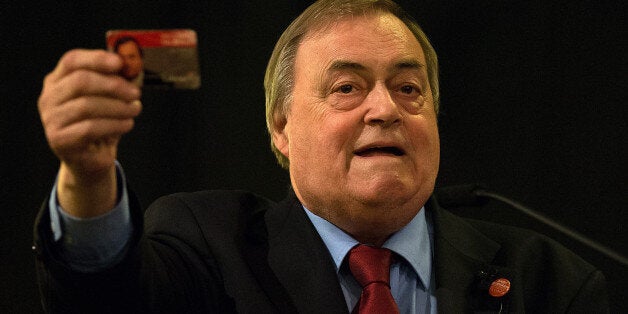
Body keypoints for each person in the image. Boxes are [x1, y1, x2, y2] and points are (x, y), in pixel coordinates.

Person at [34, 0, 608, 313]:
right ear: (281, 127)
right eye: (346, 88)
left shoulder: (551, 283)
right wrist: (87, 177)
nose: (384, 108)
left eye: (409, 88)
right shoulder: (208, 245)